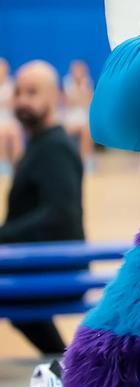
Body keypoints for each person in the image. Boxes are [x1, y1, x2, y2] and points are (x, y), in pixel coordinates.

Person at [5, 60, 85, 355]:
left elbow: (59, 214)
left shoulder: (55, 148)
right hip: (36, 261)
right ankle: (64, 365)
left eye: (33, 92)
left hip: (53, 263)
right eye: (18, 92)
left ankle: (66, 365)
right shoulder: (41, 145)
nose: (23, 100)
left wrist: (4, 237)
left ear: (54, 98)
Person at [61, 60, 93, 167]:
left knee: (87, 130)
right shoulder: (66, 83)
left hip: (83, 118)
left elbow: (89, 103)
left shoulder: (87, 83)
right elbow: (67, 103)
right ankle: (66, 160)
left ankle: (85, 161)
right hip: (69, 118)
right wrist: (80, 97)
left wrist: (78, 98)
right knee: (66, 130)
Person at [0, 58, 22, 171]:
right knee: (2, 134)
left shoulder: (11, 85)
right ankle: (3, 165)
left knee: (15, 133)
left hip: (10, 119)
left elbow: (15, 104)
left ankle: (18, 165)